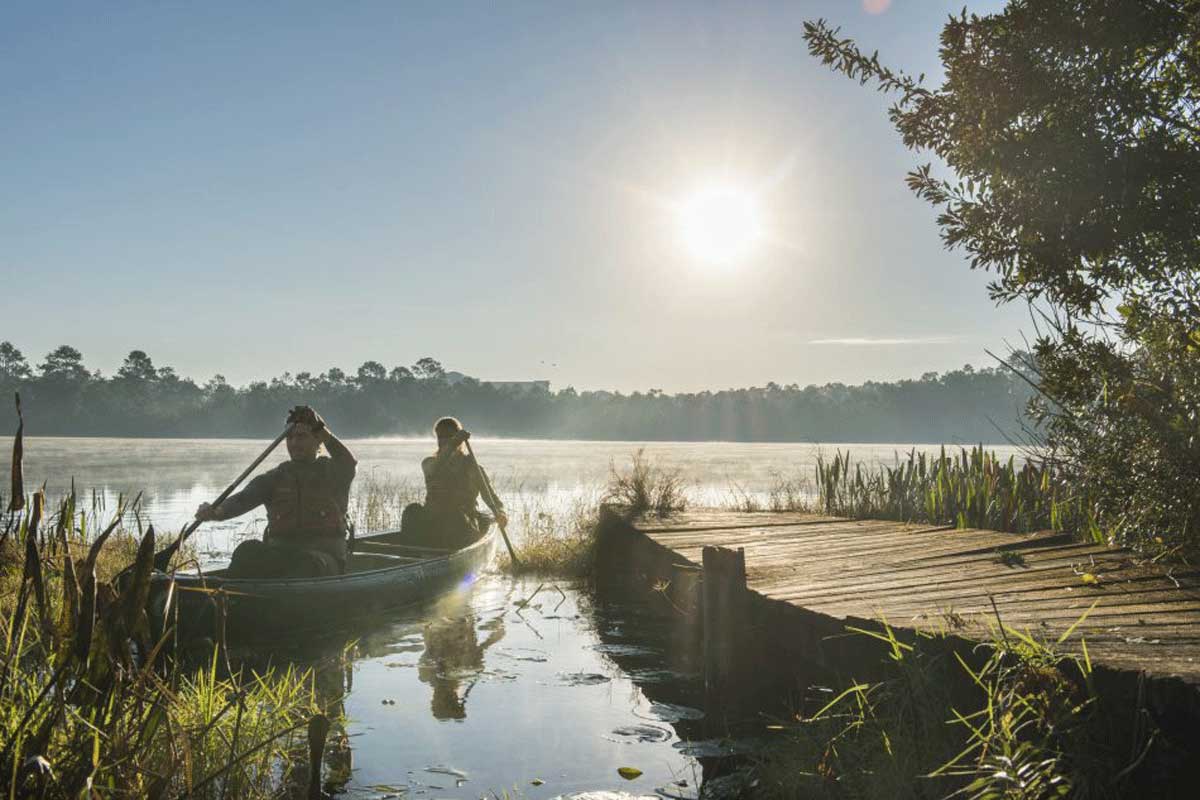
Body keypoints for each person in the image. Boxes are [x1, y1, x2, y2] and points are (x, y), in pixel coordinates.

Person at [195, 406, 357, 578]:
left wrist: (319, 428)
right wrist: (216, 511)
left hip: (323, 561)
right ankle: (231, 596)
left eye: (301, 437)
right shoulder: (274, 478)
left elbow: (348, 462)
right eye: (290, 437)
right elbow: (242, 499)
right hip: (282, 557)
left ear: (318, 441)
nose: (294, 443)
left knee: (305, 564)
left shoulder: (335, 472)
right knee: (246, 550)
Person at [401, 417, 507, 550]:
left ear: (459, 440)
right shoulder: (429, 463)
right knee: (412, 511)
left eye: (448, 436)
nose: (443, 441)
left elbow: (491, 497)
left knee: (454, 516)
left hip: (462, 526)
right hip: (433, 525)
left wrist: (501, 512)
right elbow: (435, 469)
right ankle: (413, 551)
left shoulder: (472, 468)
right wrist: (453, 443)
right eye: (440, 436)